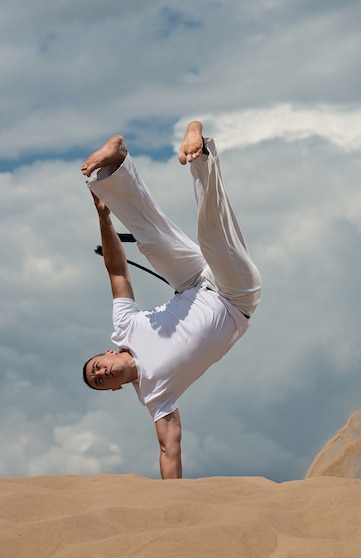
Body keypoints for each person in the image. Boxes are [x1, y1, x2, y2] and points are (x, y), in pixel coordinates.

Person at [81, 120, 261, 479]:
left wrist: (104, 217)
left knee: (152, 241)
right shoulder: (155, 396)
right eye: (101, 380)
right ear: (116, 389)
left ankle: (116, 164)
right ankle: (201, 155)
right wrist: (172, 510)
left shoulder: (125, 328)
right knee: (212, 236)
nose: (102, 372)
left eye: (97, 366)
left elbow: (117, 271)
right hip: (235, 296)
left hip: (192, 282)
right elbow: (169, 448)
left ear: (109, 352)